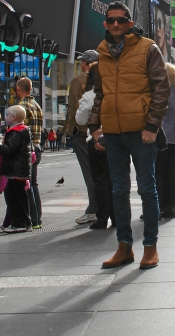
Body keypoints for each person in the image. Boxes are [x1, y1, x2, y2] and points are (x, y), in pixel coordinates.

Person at [88, 1, 170, 270]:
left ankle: (150, 247)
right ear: (105, 24)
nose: (115, 25)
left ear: (129, 22)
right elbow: (98, 94)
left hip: (141, 132)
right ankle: (124, 247)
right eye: (110, 20)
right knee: (118, 190)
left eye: (120, 20)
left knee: (147, 189)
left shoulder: (148, 48)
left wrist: (152, 126)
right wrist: (95, 127)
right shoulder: (101, 54)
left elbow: (162, 89)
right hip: (113, 133)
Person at [76, 63, 115, 230]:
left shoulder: (89, 96)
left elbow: (80, 120)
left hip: (97, 141)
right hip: (116, 140)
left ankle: (102, 217)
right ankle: (118, 217)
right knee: (117, 180)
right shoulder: (115, 92)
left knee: (100, 181)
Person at [65, 51, 100, 225]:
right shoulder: (109, 76)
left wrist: (72, 130)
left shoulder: (78, 81)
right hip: (104, 131)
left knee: (90, 172)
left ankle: (94, 209)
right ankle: (104, 207)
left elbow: (74, 109)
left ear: (86, 63)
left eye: (82, 62)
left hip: (84, 132)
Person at [0, 105, 32, 233]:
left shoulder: (16, 132)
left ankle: (19, 223)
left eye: (7, 115)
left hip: (15, 171)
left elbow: (8, 150)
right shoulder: (22, 130)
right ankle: (24, 222)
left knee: (13, 198)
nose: (5, 117)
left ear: (14, 117)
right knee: (19, 197)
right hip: (19, 171)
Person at [156, 63, 175, 219]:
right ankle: (171, 206)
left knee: (158, 171)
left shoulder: (162, 92)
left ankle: (159, 206)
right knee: (170, 171)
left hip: (164, 137)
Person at [15, 77, 44, 229]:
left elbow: (21, 131)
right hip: (37, 147)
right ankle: (37, 218)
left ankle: (33, 219)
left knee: (27, 185)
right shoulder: (36, 104)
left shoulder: (22, 106)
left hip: (27, 149)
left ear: (18, 89)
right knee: (33, 184)